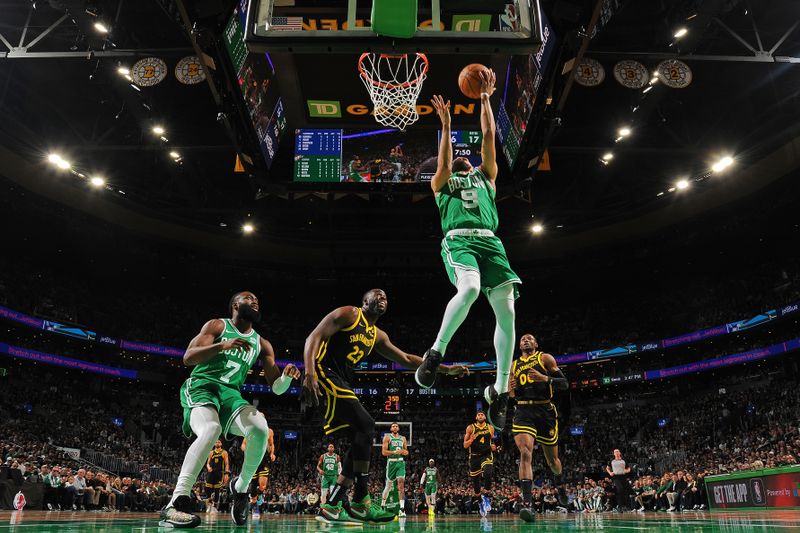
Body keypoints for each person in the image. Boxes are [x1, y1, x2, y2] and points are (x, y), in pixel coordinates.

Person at [302, 288, 468, 525]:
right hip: (322, 373)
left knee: (360, 440)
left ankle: (332, 505)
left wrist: (445, 369)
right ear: (364, 301)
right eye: (377, 295)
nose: (382, 298)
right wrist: (309, 373)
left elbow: (408, 359)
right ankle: (361, 500)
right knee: (368, 425)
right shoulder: (349, 314)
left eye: (386, 297)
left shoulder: (377, 335)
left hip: (341, 380)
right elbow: (313, 337)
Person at [416, 69, 521, 431]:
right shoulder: (441, 182)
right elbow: (444, 162)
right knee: (471, 289)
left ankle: (501, 389)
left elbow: (490, 135)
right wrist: (445, 126)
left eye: (467, 156)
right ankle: (435, 353)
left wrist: (486, 99)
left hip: (491, 242)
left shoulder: (486, 176)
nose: (463, 158)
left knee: (506, 311)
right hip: (459, 239)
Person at [159, 291, 301, 528]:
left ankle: (241, 487)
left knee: (260, 429)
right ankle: (175, 503)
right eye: (249, 298)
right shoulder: (217, 325)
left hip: (230, 395)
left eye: (257, 299)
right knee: (211, 428)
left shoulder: (262, 343)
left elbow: (276, 388)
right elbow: (188, 357)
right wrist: (222, 345)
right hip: (203, 385)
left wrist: (286, 378)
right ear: (236, 305)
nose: (255, 301)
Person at [509, 334, 569, 522]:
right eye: (523, 339)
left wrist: (545, 378)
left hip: (545, 411)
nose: (525, 340)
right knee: (525, 452)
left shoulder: (545, 358)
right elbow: (512, 395)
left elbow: (564, 384)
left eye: (529, 338)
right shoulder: (513, 365)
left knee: (553, 461)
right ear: (519, 345)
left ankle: (560, 485)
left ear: (536, 344)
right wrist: (511, 389)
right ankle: (527, 504)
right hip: (523, 411)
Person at [464, 411, 496, 517]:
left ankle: (486, 497)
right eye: (478, 414)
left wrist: (494, 446)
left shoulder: (490, 427)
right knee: (476, 484)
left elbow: (493, 440)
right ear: (476, 417)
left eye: (482, 414)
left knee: (488, 473)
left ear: (485, 417)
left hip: (486, 454)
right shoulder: (470, 428)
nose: (480, 416)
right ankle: (480, 503)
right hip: (474, 456)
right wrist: (471, 440)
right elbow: (465, 445)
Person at [242, 424, 275, 518]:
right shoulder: (250, 430)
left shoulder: (269, 431)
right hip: (252, 459)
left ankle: (258, 495)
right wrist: (245, 449)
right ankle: (254, 507)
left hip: (264, 460)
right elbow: (243, 444)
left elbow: (272, 444)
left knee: (262, 485)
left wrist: (272, 453)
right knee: (253, 485)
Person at [380, 422, 408, 517]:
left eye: (396, 426)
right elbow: (384, 452)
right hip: (391, 463)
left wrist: (402, 451)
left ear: (398, 428)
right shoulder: (387, 437)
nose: (395, 427)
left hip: (400, 462)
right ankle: (383, 505)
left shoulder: (403, 438)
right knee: (388, 486)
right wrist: (394, 452)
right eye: (393, 426)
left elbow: (406, 452)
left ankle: (402, 509)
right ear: (391, 429)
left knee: (401, 485)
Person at [204, 440, 228, 512]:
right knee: (207, 488)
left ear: (221, 443)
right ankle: (210, 503)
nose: (217, 443)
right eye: (216, 442)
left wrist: (226, 473)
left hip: (219, 473)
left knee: (217, 490)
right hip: (211, 472)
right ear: (214, 443)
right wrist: (208, 467)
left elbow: (227, 464)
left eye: (219, 442)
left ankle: (214, 506)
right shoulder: (211, 452)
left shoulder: (224, 452)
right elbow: (208, 463)